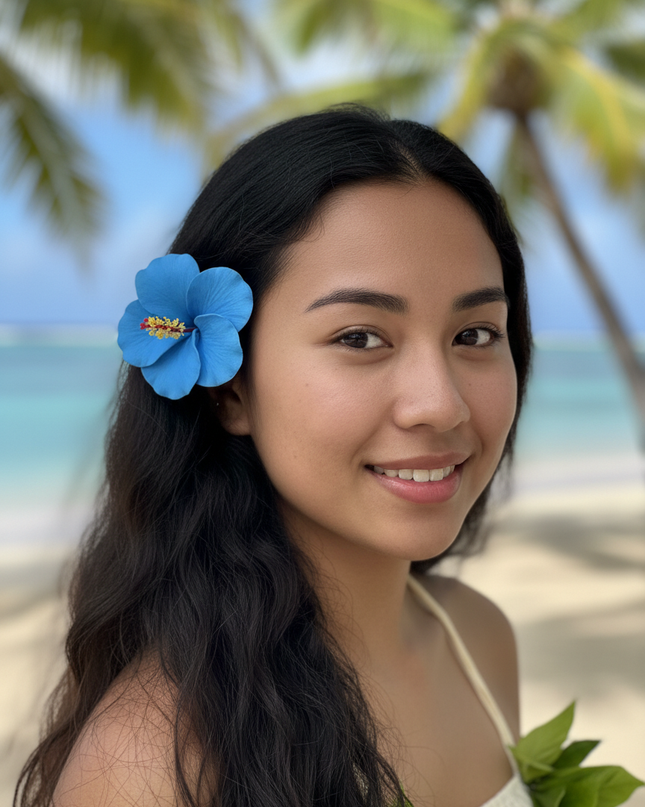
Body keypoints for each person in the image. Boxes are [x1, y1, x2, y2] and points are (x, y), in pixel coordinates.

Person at [16, 105, 533, 807]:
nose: (440, 404)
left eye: (474, 333)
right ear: (230, 389)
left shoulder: (478, 638)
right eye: (359, 336)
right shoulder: (153, 766)